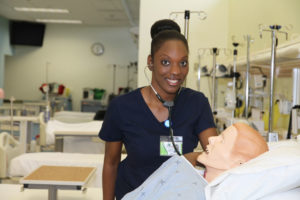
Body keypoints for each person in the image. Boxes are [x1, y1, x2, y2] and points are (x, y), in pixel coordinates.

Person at [99, 19, 217, 200]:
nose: (176, 71)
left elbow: (217, 156)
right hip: (133, 194)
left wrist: (191, 157)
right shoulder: (122, 107)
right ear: (151, 62)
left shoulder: (196, 103)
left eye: (183, 63)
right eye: (165, 62)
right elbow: (111, 163)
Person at [121, 122, 269, 200]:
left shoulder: (195, 193)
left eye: (222, 141)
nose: (211, 138)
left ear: (239, 164)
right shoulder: (191, 169)